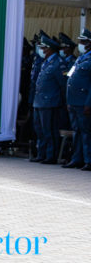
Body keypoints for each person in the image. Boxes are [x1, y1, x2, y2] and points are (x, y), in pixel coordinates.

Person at [31, 35, 65, 165]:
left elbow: (62, 85)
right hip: (39, 101)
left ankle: (51, 156)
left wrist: (61, 102)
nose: (41, 50)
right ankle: (41, 154)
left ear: (50, 49)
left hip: (50, 102)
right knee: (39, 130)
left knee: (49, 130)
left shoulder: (57, 63)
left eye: (43, 48)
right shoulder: (45, 62)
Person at [64, 29, 91, 170]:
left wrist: (88, 103)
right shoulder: (80, 59)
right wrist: (69, 101)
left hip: (83, 103)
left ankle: (88, 160)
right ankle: (77, 158)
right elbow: (71, 80)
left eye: (83, 42)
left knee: (86, 133)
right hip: (74, 102)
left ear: (89, 44)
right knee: (77, 132)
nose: (80, 44)